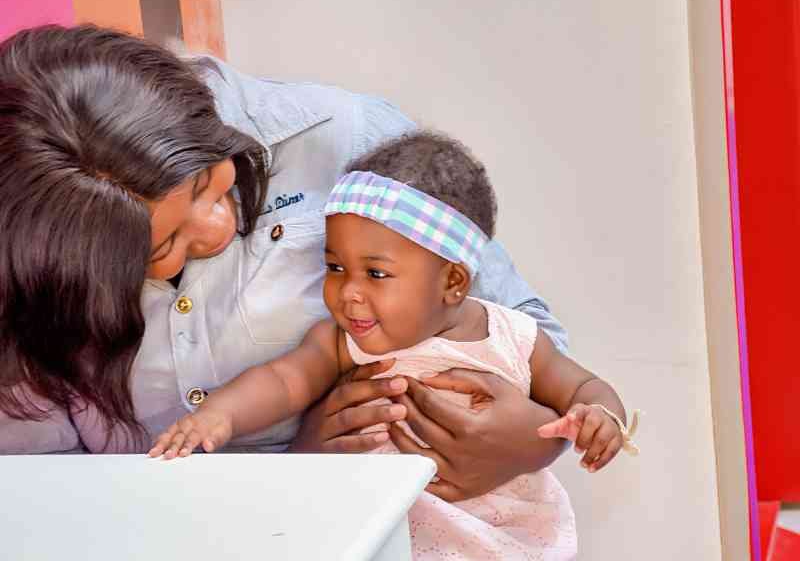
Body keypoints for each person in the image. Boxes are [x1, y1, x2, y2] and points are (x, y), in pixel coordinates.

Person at [0, 24, 568, 500]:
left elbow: (526, 339)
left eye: (208, 181)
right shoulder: (26, 285)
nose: (220, 227)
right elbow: (47, 496)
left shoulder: (341, 138)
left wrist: (533, 438)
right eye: (163, 246)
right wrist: (303, 460)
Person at [150, 133, 640, 560]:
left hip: (505, 542)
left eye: (376, 273)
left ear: (452, 281)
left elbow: (584, 387)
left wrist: (602, 417)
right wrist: (221, 415)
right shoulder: (343, 344)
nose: (348, 292)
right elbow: (284, 379)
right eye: (336, 267)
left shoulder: (513, 337)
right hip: (388, 538)